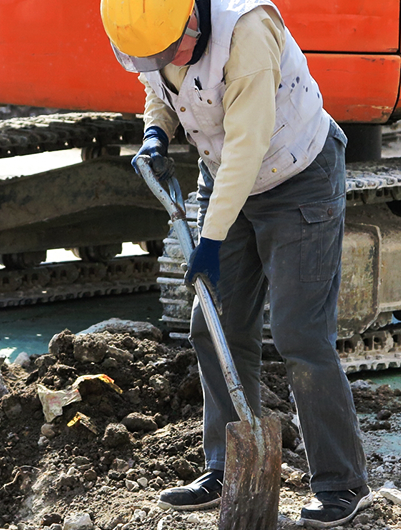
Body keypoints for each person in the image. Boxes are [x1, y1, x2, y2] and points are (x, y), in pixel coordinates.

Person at [100, 0, 372, 527]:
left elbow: (248, 147)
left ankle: (342, 483)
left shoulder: (246, 32)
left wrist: (210, 242)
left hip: (296, 178)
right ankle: (226, 464)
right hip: (226, 178)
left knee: (299, 334)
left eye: (172, 49)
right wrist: (155, 132)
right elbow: (158, 85)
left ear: (194, 20)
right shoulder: (156, 29)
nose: (166, 59)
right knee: (216, 324)